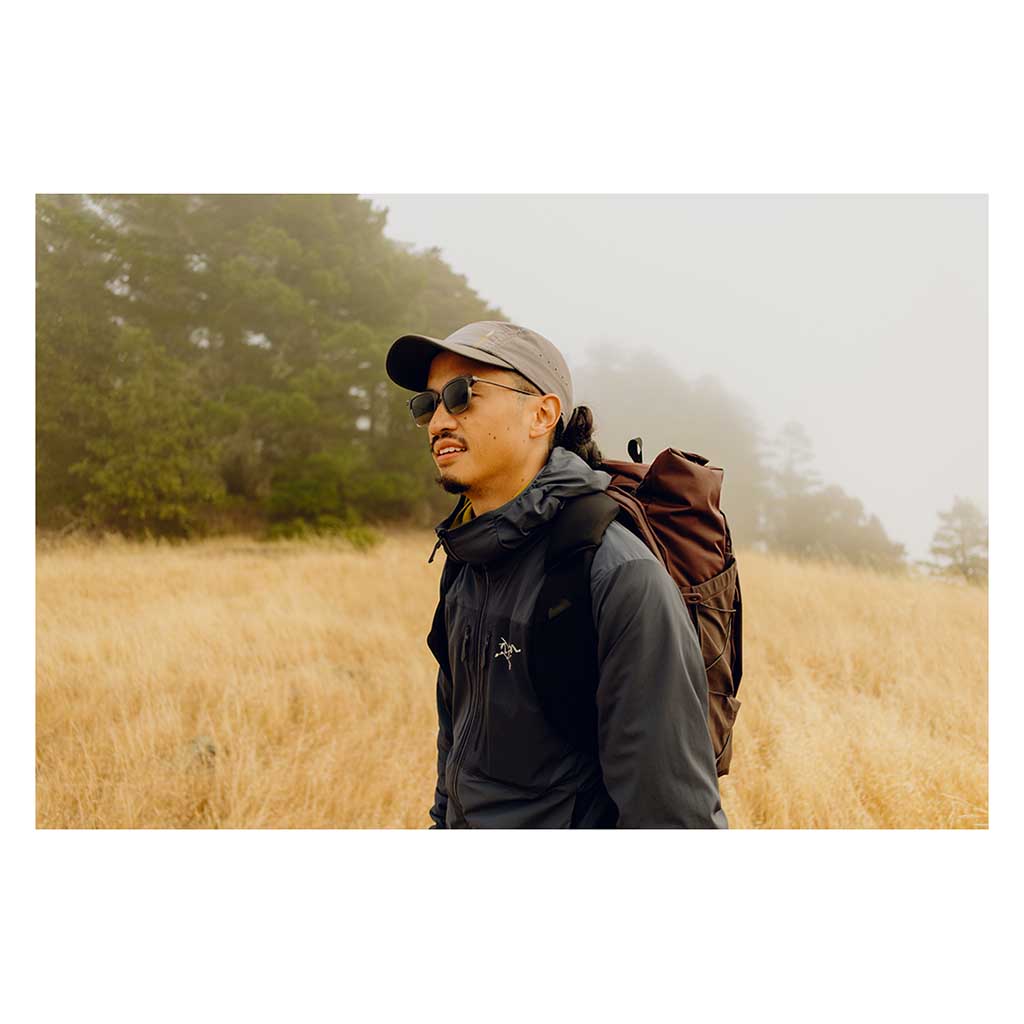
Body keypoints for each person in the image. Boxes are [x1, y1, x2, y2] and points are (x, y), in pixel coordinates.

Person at [385, 321, 727, 829]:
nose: (437, 421)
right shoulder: (469, 555)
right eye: (426, 404)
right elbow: (456, 743)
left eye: (461, 394)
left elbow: (673, 815)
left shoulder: (614, 573)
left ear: (542, 415)